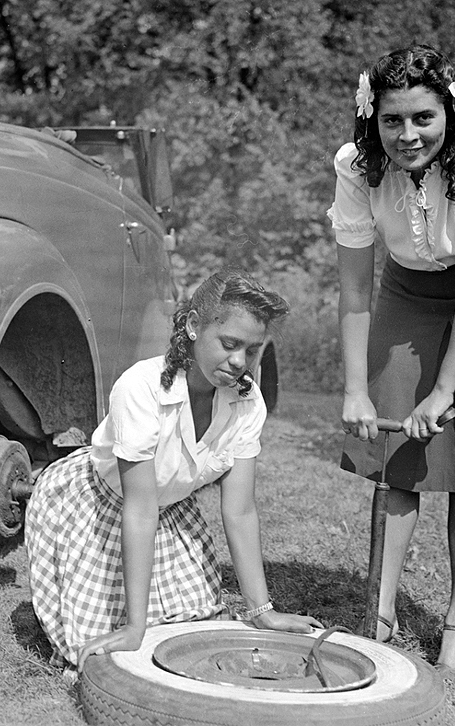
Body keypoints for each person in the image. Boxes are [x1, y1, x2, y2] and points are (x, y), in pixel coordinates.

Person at [328, 44, 455, 685]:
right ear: (373, 117)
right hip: (406, 291)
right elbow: (356, 289)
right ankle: (380, 619)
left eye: (423, 117)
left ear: (452, 110)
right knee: (398, 460)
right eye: (393, 120)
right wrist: (356, 390)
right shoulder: (356, 167)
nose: (407, 135)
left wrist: (445, 388)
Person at [24, 269, 321, 672]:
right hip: (99, 504)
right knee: (104, 651)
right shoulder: (141, 388)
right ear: (195, 326)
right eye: (229, 344)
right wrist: (133, 625)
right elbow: (140, 509)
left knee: (192, 630)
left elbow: (240, 511)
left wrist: (262, 611)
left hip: (170, 508)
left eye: (251, 350)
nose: (239, 362)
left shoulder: (248, 403)